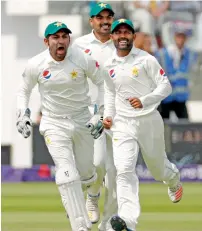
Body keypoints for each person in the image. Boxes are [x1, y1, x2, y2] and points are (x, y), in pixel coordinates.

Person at [16, 21, 104, 231]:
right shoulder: (36, 64)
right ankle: (80, 226)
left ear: (69, 40)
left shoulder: (81, 58)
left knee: (87, 173)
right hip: (53, 122)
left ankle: (74, 197)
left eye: (64, 36)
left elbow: (102, 83)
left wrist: (99, 114)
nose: (61, 41)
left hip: (82, 119)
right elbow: (23, 91)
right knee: (66, 174)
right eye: (55, 37)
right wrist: (23, 114)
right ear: (47, 42)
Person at [102, 19, 183, 231]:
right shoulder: (108, 64)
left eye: (126, 32)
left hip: (148, 120)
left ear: (133, 36)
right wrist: (108, 116)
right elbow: (110, 92)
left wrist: (145, 100)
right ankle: (128, 221)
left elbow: (166, 86)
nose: (122, 36)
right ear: (112, 37)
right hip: (122, 124)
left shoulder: (146, 60)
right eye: (117, 32)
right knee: (124, 169)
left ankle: (173, 179)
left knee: (157, 170)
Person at [73, 2, 117, 230]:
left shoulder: (121, 42)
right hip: (92, 113)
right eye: (100, 17)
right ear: (91, 21)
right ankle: (92, 195)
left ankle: (111, 223)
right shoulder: (79, 45)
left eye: (108, 17)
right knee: (97, 163)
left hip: (119, 114)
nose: (105, 21)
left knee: (117, 173)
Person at [159, 22, 197, 120]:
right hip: (166, 97)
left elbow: (192, 73)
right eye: (178, 36)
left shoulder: (190, 54)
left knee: (185, 125)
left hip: (181, 97)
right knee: (164, 125)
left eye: (182, 36)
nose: (180, 39)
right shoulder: (163, 53)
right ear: (174, 37)